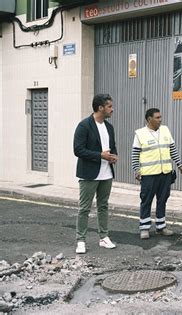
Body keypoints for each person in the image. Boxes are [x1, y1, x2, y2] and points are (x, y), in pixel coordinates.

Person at [73, 94, 118, 254]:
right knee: (84, 208)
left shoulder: (109, 127)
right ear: (100, 108)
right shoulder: (84, 126)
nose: (112, 110)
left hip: (106, 173)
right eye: (109, 107)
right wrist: (100, 155)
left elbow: (112, 146)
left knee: (103, 206)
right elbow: (78, 150)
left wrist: (113, 156)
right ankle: (81, 240)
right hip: (89, 174)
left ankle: (104, 237)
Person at [132, 108, 182, 240]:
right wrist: (136, 170)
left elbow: (172, 149)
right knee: (146, 200)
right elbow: (135, 154)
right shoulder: (140, 134)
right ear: (149, 119)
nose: (160, 119)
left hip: (165, 173)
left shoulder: (165, 130)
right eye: (157, 117)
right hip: (149, 174)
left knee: (162, 200)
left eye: (160, 117)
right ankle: (144, 228)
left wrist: (179, 165)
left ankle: (161, 227)